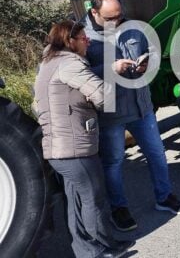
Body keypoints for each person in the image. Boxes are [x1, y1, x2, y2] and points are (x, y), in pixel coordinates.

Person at [83, 0, 180, 232]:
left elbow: (153, 55)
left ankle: (165, 197)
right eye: (111, 18)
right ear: (94, 13)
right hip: (111, 112)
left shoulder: (134, 28)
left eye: (120, 16)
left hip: (142, 107)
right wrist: (111, 68)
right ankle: (118, 208)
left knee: (157, 153)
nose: (118, 22)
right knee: (113, 162)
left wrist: (146, 66)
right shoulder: (83, 37)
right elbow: (80, 74)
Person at [34, 20, 134, 258]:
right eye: (83, 39)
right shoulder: (70, 64)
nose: (87, 42)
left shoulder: (48, 64)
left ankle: (86, 250)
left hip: (57, 149)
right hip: (74, 147)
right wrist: (112, 73)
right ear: (70, 41)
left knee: (76, 202)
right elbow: (103, 96)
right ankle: (102, 249)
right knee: (93, 200)